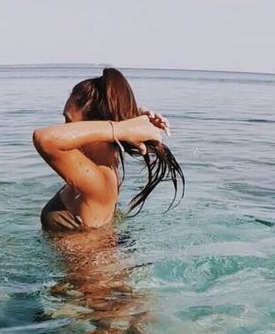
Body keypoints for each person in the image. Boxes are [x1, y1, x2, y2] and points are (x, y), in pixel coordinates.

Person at [33, 67, 184, 231]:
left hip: (91, 257)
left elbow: (44, 139)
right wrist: (130, 116)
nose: (65, 129)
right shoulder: (103, 165)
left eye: (69, 121)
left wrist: (120, 128)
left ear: (97, 124)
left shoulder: (99, 180)